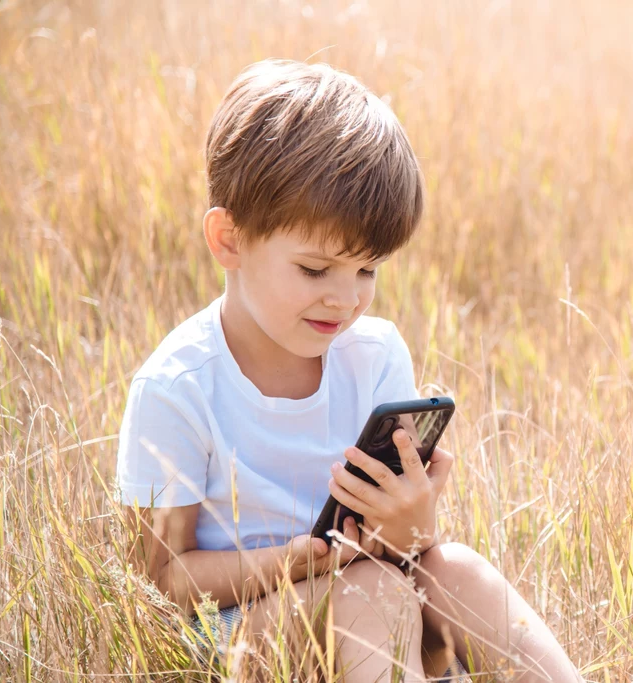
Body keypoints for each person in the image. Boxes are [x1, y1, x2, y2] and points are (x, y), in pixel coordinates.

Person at [115, 58, 583, 682]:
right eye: (315, 270)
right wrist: (301, 561)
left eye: (366, 270)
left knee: (456, 569)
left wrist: (412, 524)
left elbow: (400, 556)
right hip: (237, 632)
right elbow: (163, 583)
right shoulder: (178, 389)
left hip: (363, 601)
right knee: (373, 593)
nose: (346, 299)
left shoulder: (374, 354)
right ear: (228, 240)